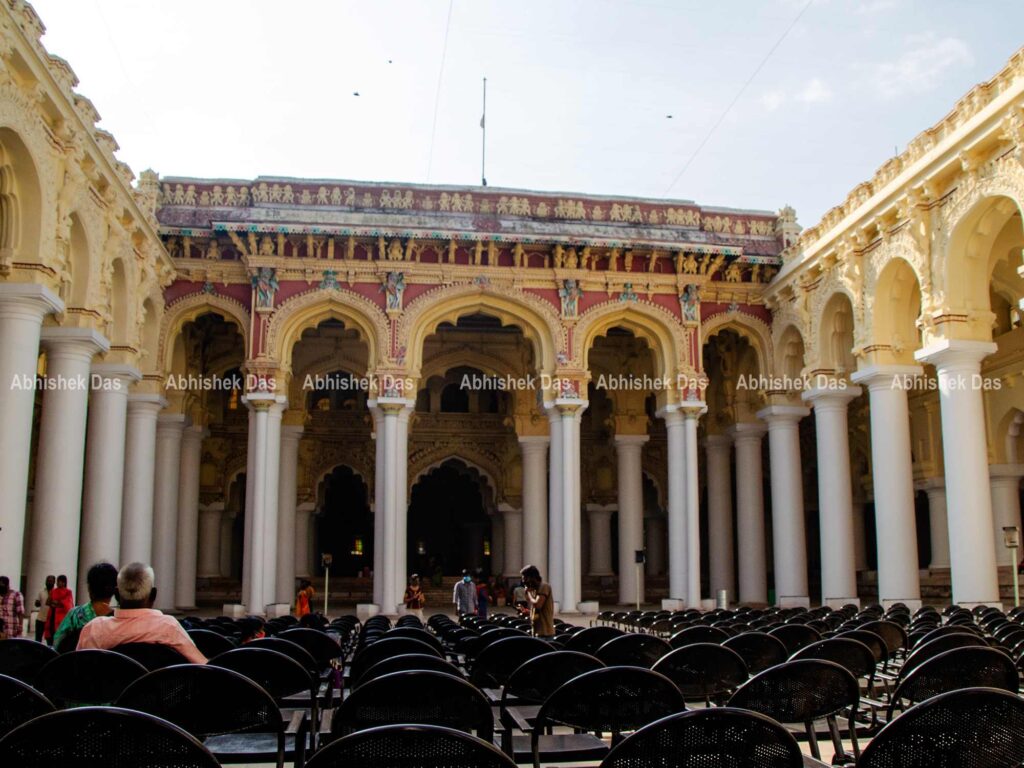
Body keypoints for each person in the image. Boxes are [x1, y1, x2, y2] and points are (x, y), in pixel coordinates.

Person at [77, 562, 207, 664]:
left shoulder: (94, 629)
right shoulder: (169, 627)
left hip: (108, 697)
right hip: (160, 697)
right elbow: (202, 665)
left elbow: (79, 668)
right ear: (153, 595)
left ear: (116, 594)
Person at [52, 563, 118, 652]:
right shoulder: (118, 619)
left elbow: (57, 643)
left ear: (89, 588)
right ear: (114, 590)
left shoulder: (74, 615)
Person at [520, 565, 555, 640]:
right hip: (537, 633)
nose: (523, 581)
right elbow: (538, 612)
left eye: (524, 578)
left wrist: (529, 594)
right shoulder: (535, 590)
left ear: (531, 577)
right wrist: (529, 612)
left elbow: (538, 605)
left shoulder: (544, 586)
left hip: (545, 634)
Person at [44, 574, 73, 645]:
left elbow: (67, 604)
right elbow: (48, 602)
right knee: (50, 634)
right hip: (52, 616)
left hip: (62, 617)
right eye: (57, 581)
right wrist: (56, 603)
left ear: (64, 583)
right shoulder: (53, 591)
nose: (57, 583)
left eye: (59, 581)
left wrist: (57, 603)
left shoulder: (68, 592)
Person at [34, 575, 54, 643]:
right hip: (40, 619)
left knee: (50, 640)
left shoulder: (56, 593)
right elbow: (37, 603)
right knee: (38, 639)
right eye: (47, 581)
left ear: (54, 582)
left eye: (51, 581)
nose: (49, 582)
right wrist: (37, 603)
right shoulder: (41, 592)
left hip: (51, 620)